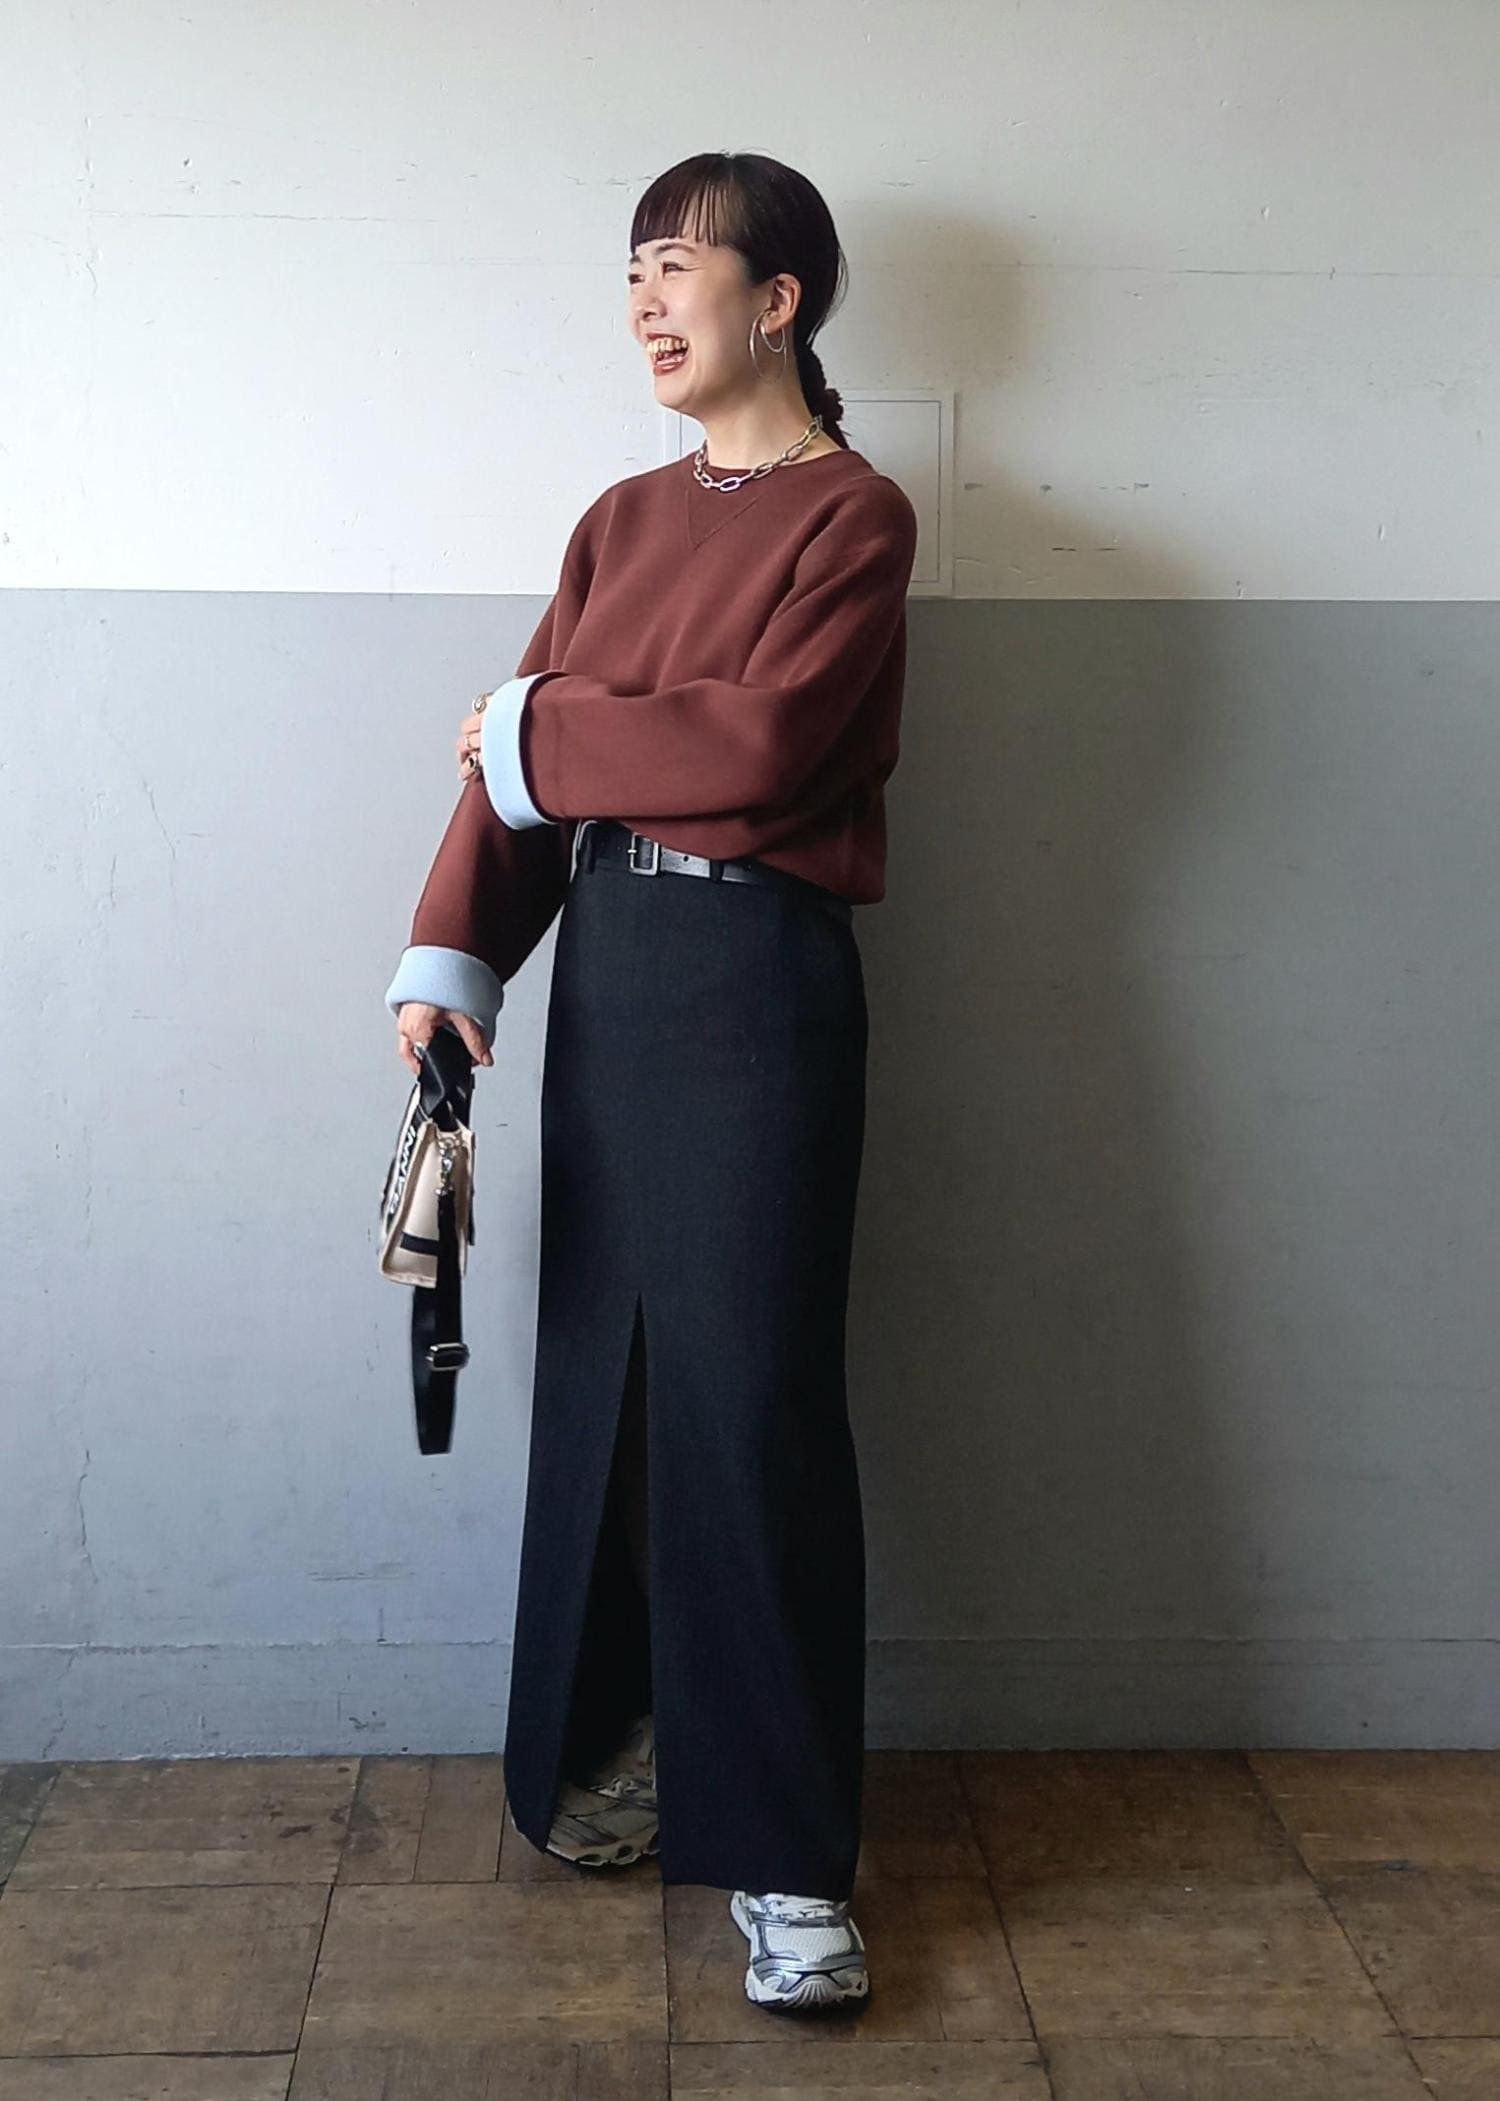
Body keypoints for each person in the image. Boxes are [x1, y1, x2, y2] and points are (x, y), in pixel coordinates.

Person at [384, 151, 918, 2014]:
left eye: (676, 268)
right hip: (611, 975)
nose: (644, 304)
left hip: (763, 985)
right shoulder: (617, 521)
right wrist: (453, 958)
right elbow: (522, 791)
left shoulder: (857, 515)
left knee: (752, 1401)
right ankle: (611, 1752)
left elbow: (762, 747)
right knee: (599, 1378)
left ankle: (789, 1863)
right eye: (630, 272)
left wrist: (538, 727)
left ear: (779, 299)